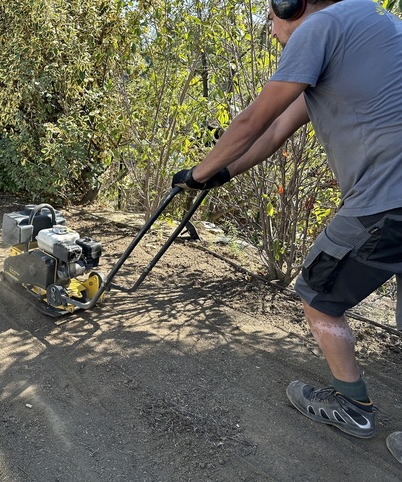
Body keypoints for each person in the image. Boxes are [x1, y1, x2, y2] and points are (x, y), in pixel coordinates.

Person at [172, 0, 402, 460]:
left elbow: (253, 120)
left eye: (271, 16)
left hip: (386, 200)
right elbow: (277, 128)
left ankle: (354, 406)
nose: (270, 26)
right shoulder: (373, 22)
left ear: (290, 5)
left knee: (318, 297)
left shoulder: (319, 28)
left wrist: (196, 174)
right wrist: (224, 172)